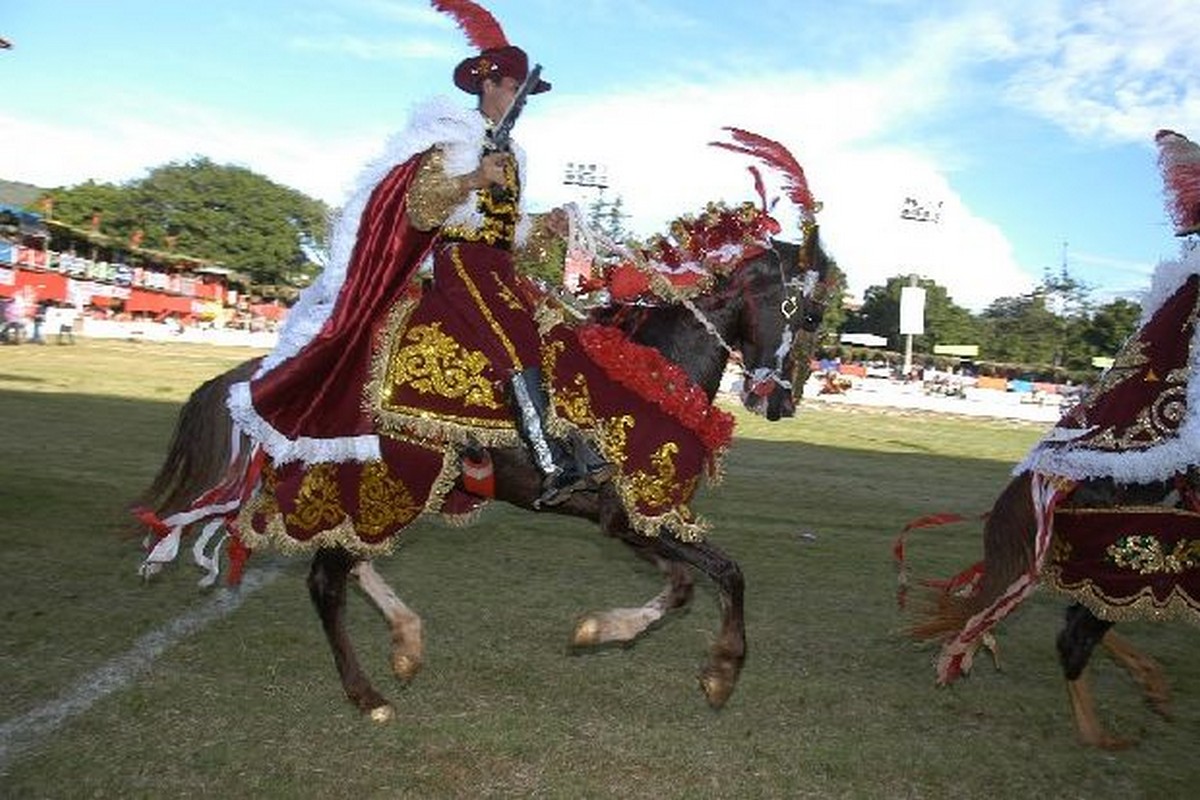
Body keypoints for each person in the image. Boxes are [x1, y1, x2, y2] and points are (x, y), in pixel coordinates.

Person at [226, 1, 607, 515]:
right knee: (514, 342)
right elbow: (422, 206)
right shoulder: (452, 137)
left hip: (500, 269)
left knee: (555, 333)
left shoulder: (513, 154)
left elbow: (507, 228)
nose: (520, 100)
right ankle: (550, 462)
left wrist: (545, 224)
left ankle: (550, 448)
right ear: (488, 84)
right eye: (515, 89)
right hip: (462, 267)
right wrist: (474, 177)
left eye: (524, 92)